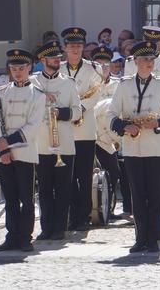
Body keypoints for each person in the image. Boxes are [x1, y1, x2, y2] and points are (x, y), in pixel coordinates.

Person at [108, 41, 160, 253]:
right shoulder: (124, 84)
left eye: (151, 59)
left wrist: (156, 123)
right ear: (135, 62)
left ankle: (154, 238)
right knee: (137, 195)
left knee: (156, 195)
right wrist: (125, 127)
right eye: (144, 59)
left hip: (156, 148)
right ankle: (140, 238)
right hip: (132, 148)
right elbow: (111, 114)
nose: (148, 63)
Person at [0, 49, 45, 252]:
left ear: (29, 68)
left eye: (21, 68)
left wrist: (9, 142)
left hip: (25, 151)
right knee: (10, 199)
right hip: (4, 153)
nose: (17, 72)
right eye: (14, 68)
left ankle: (25, 237)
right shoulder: (2, 91)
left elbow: (33, 126)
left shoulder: (37, 95)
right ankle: (11, 236)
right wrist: (3, 150)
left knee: (27, 198)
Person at [31, 41, 82, 241]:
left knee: (63, 189)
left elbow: (78, 111)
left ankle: (60, 227)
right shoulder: (33, 82)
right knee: (44, 189)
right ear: (43, 60)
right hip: (42, 144)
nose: (57, 60)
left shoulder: (68, 83)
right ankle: (46, 227)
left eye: (58, 57)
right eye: (52, 58)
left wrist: (61, 113)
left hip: (64, 144)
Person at [60, 27, 103, 231]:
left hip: (85, 129)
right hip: (64, 129)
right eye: (71, 46)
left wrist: (79, 110)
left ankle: (84, 215)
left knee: (84, 175)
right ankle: (70, 215)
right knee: (66, 176)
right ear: (65, 48)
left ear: (83, 47)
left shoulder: (93, 69)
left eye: (78, 46)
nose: (75, 50)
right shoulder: (58, 70)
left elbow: (96, 95)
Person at [91, 45, 123, 220]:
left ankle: (108, 208)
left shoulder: (118, 84)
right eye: (99, 63)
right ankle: (91, 207)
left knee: (113, 170)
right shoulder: (89, 83)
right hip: (90, 133)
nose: (103, 67)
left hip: (108, 137)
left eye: (106, 63)